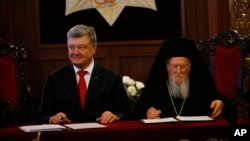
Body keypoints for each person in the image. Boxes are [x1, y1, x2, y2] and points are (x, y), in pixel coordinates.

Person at [38, 24, 132, 124]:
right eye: (71, 47)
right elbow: (42, 115)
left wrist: (115, 116)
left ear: (94, 48)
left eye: (81, 47)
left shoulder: (112, 79)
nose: (75, 52)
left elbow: (126, 113)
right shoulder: (54, 79)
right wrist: (51, 118)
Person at [133, 37, 237, 125]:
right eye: (174, 66)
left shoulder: (202, 88)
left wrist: (222, 105)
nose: (179, 71)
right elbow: (136, 114)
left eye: (183, 66)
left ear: (190, 67)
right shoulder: (154, 89)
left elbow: (232, 112)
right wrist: (147, 113)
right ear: (167, 67)